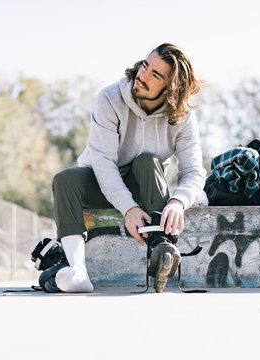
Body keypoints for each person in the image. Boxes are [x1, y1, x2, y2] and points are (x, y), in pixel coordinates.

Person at [31, 43, 206, 293]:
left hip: (143, 182)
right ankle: (77, 271)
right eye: (145, 65)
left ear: (171, 89)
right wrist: (129, 208)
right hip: (102, 182)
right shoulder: (110, 98)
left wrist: (179, 201)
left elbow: (194, 171)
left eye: (155, 75)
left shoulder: (183, 116)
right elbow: (102, 162)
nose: (142, 76)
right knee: (65, 179)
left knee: (147, 160)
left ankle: (162, 250)